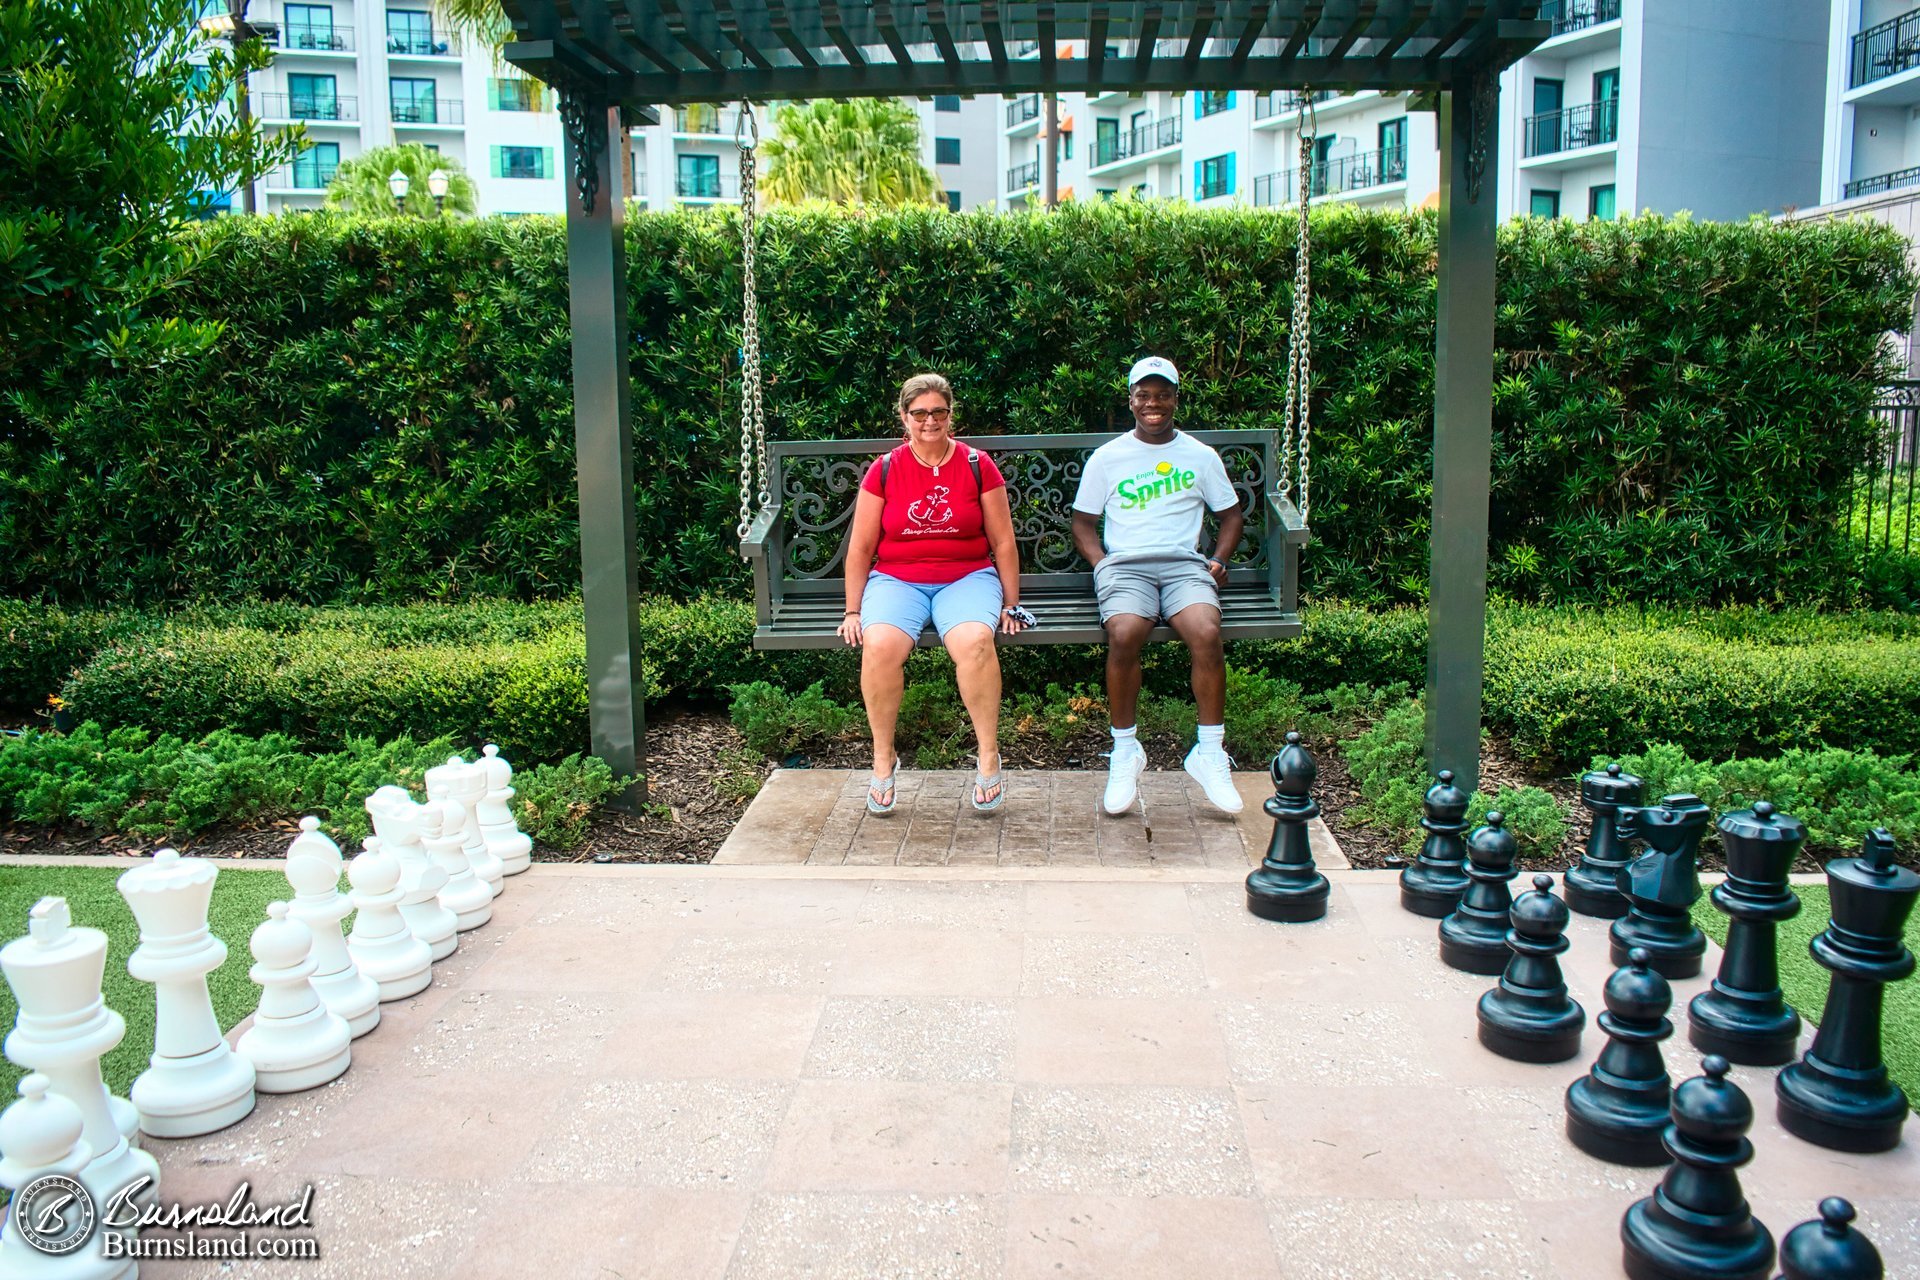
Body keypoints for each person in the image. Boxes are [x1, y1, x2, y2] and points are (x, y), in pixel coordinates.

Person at [837, 373, 1028, 815]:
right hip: (897, 579)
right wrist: (852, 610)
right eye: (919, 413)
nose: (929, 421)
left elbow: (1003, 542)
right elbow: (861, 548)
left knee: (976, 642)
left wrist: (1011, 603)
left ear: (950, 414)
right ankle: (883, 759)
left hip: (966, 577)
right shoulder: (885, 469)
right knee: (879, 644)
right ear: (904, 418)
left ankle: (987, 756)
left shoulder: (978, 465)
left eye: (938, 411)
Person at [1071, 356, 1246, 816]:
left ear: (1175, 399)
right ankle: (1125, 751)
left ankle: (1209, 752)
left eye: (1162, 394)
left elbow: (1230, 516)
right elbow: (1083, 523)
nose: (1153, 404)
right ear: (1131, 401)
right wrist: (1102, 565)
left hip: (1185, 567)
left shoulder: (1198, 455)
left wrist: (1218, 559)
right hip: (1127, 568)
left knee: (1205, 633)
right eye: (1144, 395)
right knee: (1125, 632)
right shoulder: (1109, 457)